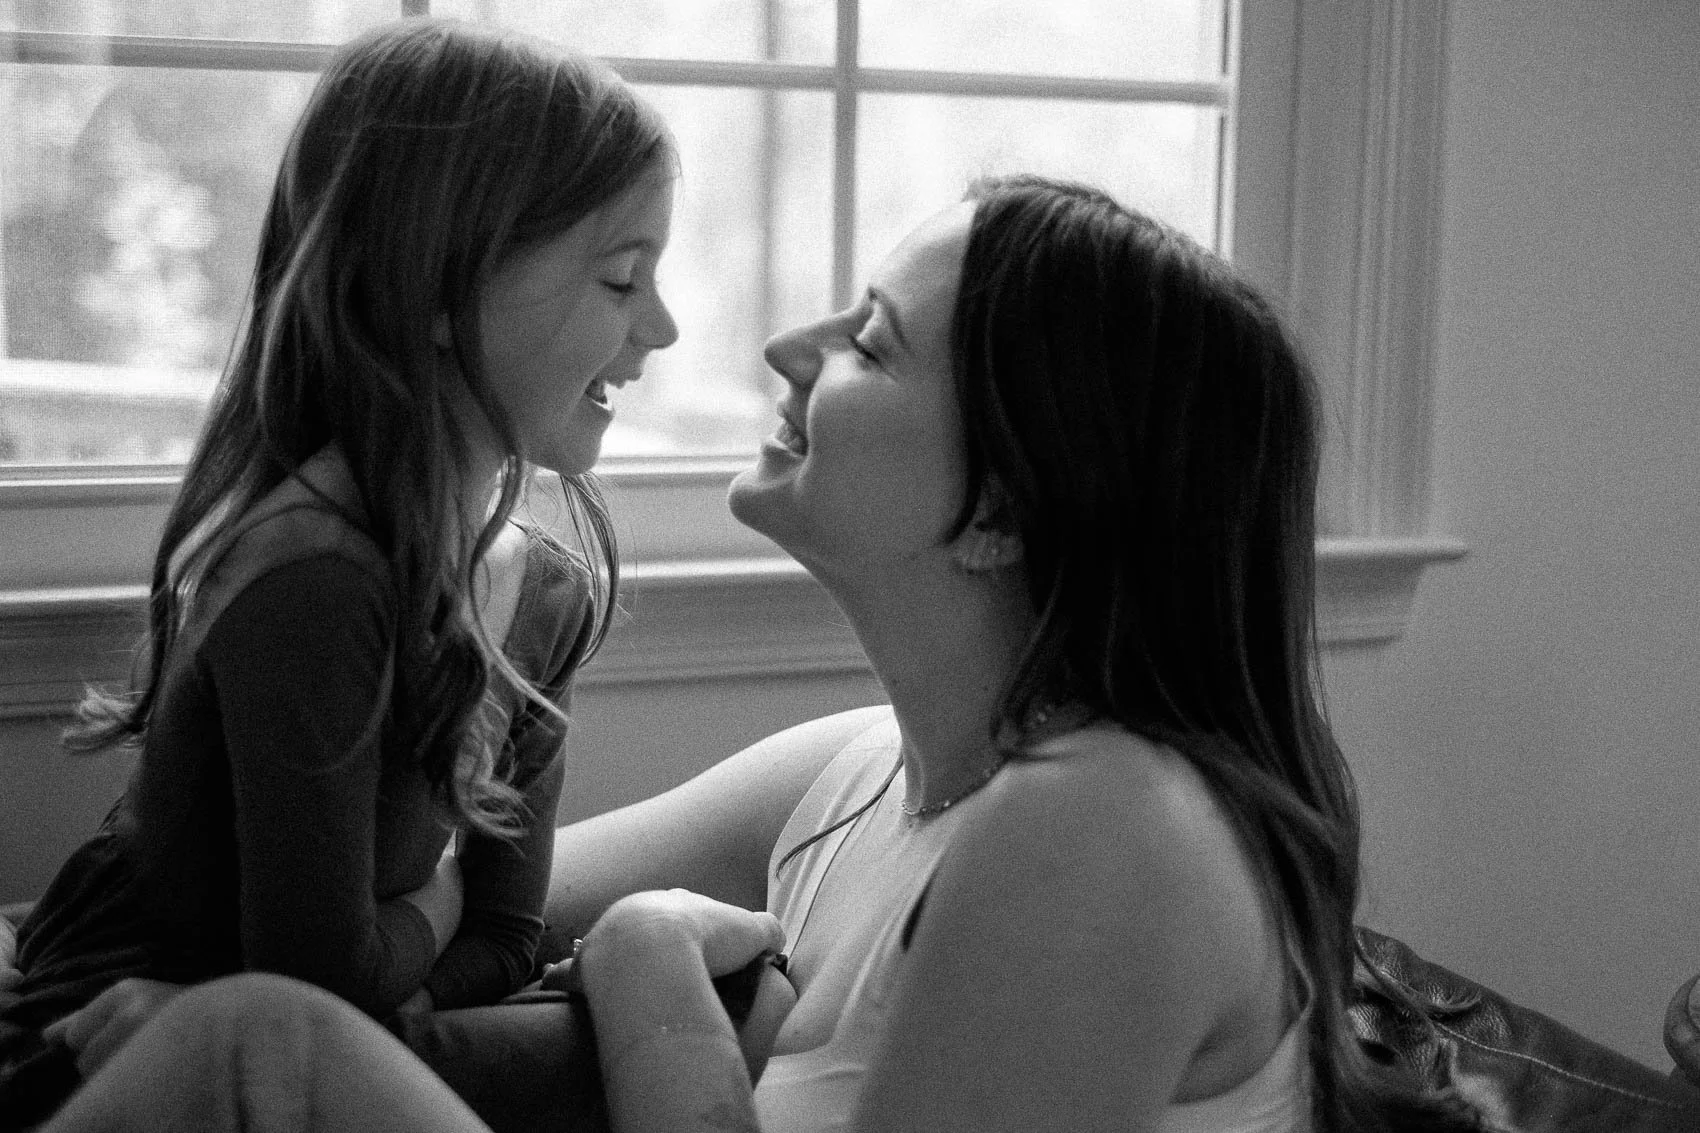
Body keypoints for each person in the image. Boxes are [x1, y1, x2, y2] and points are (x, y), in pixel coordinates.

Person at [27, 175, 1491, 1133]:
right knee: (243, 1041)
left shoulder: (1106, 826)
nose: (788, 349)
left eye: (870, 342)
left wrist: (655, 962)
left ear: (1003, 509)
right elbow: (459, 895)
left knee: (258, 1055)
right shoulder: (860, 775)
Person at [0, 17, 677, 1128]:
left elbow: (504, 940)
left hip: (315, 1031)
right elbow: (320, 985)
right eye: (619, 280)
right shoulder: (314, 580)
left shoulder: (545, 591)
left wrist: (418, 936)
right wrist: (443, 896)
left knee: (749, 998)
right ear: (437, 292)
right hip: (106, 1052)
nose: (662, 326)